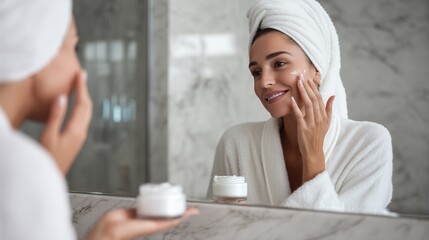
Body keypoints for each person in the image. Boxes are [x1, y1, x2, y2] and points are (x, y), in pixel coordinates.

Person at [0, 0, 198, 239]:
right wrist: (43, 176)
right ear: (36, 47)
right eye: (74, 48)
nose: (79, 68)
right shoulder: (22, 167)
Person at [208, 0, 393, 214]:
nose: (264, 81)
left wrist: (313, 155)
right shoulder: (237, 142)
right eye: (256, 72)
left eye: (279, 63)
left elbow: (351, 233)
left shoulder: (368, 143)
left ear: (317, 69)